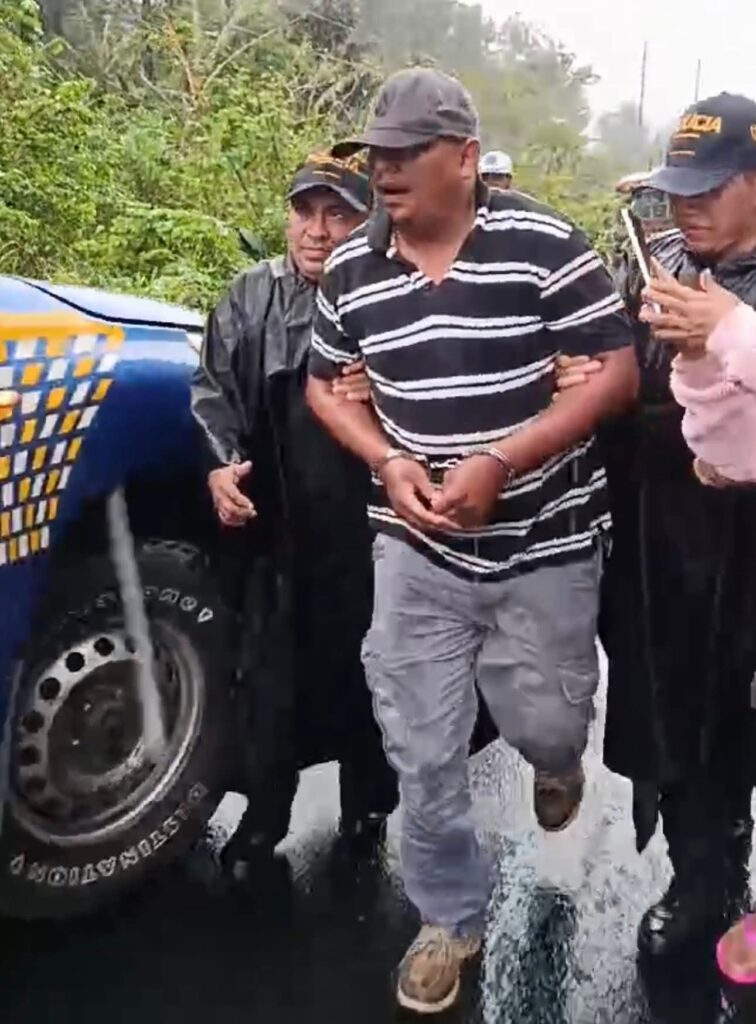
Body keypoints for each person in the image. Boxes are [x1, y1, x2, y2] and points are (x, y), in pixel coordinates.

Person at [308, 67, 637, 1014]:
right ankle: (449, 916)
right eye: (376, 154)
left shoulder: (544, 246)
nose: (385, 170)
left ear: (463, 157)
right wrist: (386, 460)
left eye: (407, 152)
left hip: (546, 542)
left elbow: (616, 373)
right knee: (421, 750)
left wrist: (502, 459)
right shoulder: (354, 269)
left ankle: (557, 762)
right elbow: (326, 384)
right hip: (415, 550)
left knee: (548, 721)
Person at [557, 92, 756, 959]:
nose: (688, 207)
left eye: (711, 188)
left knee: (739, 714)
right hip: (663, 542)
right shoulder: (658, 264)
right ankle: (701, 874)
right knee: (676, 714)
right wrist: (585, 383)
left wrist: (733, 333)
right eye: (679, 190)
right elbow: (621, 378)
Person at [190, 153, 398, 875]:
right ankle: (266, 813)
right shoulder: (250, 296)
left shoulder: (392, 296)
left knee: (372, 673)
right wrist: (220, 463)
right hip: (277, 524)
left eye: (337, 214)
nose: (316, 230)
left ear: (367, 222)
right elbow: (213, 391)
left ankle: (367, 807)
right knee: (268, 678)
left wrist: (382, 392)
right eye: (304, 211)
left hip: (368, 527)